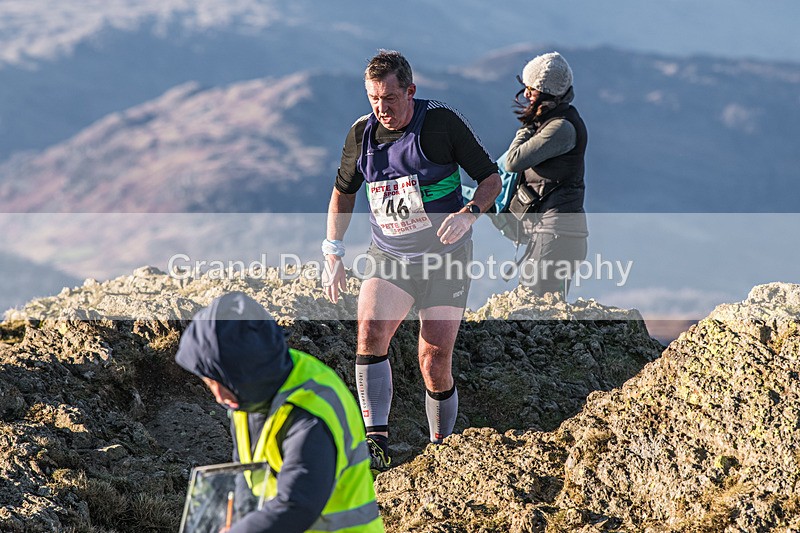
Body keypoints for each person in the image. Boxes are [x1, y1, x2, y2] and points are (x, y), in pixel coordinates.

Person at [322, 50, 502, 472]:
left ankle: (441, 448)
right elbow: (343, 193)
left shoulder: (440, 123)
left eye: (389, 98)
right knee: (369, 332)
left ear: (410, 91)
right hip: (390, 256)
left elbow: (491, 179)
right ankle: (376, 443)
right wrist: (333, 251)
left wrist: (470, 213)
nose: (381, 108)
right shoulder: (361, 135)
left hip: (445, 259)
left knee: (433, 359)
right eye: (373, 99)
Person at [175, 291, 384, 533]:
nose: (218, 397)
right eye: (210, 383)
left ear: (244, 371)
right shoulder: (250, 395)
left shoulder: (310, 411)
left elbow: (297, 505)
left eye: (219, 383)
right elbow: (246, 479)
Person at [504, 51, 588, 297]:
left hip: (555, 235)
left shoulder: (560, 128)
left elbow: (513, 161)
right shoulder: (558, 121)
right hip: (557, 234)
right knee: (546, 305)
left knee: (534, 304)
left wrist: (528, 125)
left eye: (530, 89)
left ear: (545, 92)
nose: (526, 94)